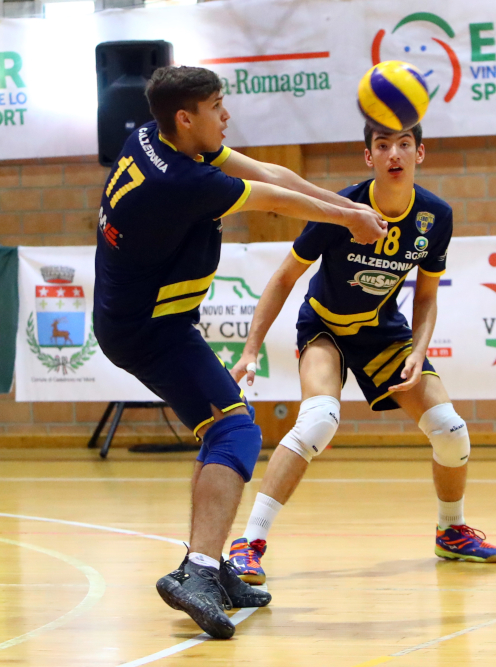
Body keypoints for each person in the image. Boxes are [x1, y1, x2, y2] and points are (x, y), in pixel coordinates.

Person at [93, 66, 387, 639]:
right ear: (186, 118)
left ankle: (208, 565)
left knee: (224, 428)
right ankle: (200, 570)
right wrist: (348, 218)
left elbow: (270, 172)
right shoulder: (182, 181)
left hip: (146, 319)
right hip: (149, 330)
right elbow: (273, 198)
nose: (226, 115)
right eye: (216, 107)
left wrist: (351, 208)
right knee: (235, 431)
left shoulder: (152, 137)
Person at [226, 123, 496, 587]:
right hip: (324, 328)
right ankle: (248, 543)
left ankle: (451, 531)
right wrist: (251, 348)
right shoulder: (341, 208)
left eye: (404, 144)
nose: (394, 153)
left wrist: (419, 350)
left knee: (451, 431)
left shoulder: (435, 216)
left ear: (420, 153)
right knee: (318, 421)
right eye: (383, 145)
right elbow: (284, 278)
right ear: (368, 156)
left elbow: (426, 297)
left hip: (382, 332)